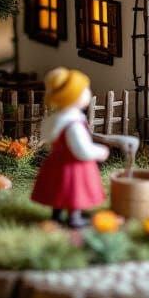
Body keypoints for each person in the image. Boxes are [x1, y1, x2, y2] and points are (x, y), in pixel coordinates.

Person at [31, 67, 109, 227]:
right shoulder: (73, 124)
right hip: (74, 165)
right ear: (72, 95)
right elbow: (82, 150)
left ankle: (57, 215)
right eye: (84, 90)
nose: (88, 92)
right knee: (74, 189)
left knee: (59, 188)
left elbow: (47, 137)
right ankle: (74, 218)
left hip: (56, 162)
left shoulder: (56, 119)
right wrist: (100, 152)